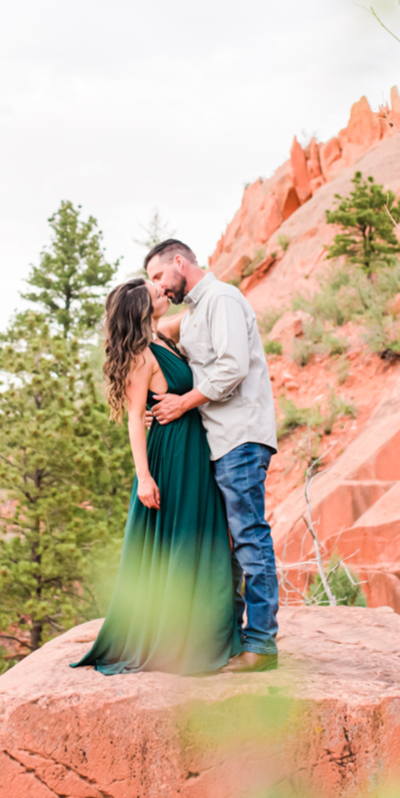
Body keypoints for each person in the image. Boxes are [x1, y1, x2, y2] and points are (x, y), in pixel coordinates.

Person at [72, 277, 242, 675]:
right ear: (144, 309)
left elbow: (199, 316)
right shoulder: (140, 356)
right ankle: (176, 638)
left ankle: (207, 629)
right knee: (182, 537)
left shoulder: (162, 338)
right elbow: (135, 418)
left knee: (204, 533)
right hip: (172, 454)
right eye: (155, 292)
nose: (163, 292)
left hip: (193, 448)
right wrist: (144, 477)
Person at [144, 238, 280, 673]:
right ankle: (233, 638)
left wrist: (182, 405)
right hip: (218, 439)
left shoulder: (221, 298)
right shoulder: (196, 311)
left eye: (159, 276)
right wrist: (158, 408)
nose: (160, 288)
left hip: (239, 436)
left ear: (179, 263)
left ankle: (261, 644)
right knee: (228, 544)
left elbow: (232, 368)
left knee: (248, 537)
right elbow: (176, 363)